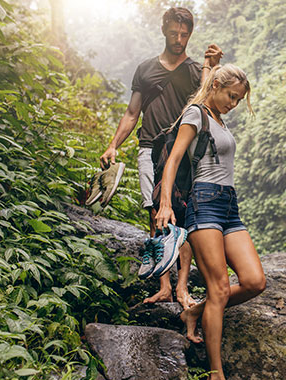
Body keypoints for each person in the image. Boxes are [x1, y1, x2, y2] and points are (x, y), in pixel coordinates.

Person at [99, 7, 222, 309]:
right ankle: (164, 285)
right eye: (174, 33)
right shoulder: (145, 69)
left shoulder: (195, 71)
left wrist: (211, 67)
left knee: (183, 214)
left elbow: (206, 105)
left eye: (185, 34)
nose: (179, 39)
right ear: (164, 30)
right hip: (148, 147)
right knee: (156, 214)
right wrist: (113, 145)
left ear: (190, 34)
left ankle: (182, 287)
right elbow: (132, 113)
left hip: (182, 153)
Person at [155, 64, 266, 380]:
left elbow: (253, 284)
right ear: (215, 86)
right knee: (219, 288)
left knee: (255, 281)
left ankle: (195, 313)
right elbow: (174, 160)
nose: (233, 102)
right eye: (231, 95)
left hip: (229, 205)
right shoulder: (195, 114)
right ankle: (215, 379)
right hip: (203, 203)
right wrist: (164, 204)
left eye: (238, 98)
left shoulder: (219, 119)